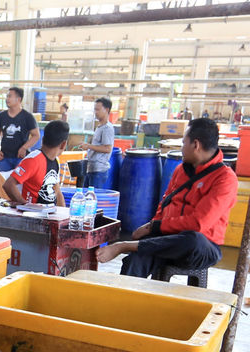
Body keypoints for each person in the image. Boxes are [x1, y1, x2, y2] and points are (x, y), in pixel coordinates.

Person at [97, 118, 237, 278]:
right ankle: (124, 300)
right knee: (136, 260)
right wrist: (151, 227)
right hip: (165, 239)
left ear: (196, 145)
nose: (182, 148)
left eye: (184, 143)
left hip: (199, 247)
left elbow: (199, 223)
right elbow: (164, 205)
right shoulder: (180, 170)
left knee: (193, 239)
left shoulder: (225, 178)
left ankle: (125, 245)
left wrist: (154, 228)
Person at [2, 120, 68, 207]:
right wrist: (27, 206)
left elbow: (57, 190)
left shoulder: (56, 161)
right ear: (63, 144)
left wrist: (63, 214)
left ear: (43, 139)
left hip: (50, 214)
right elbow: (8, 185)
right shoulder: (33, 160)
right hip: (33, 217)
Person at [0, 87, 40, 172]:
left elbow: (36, 135)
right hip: (4, 157)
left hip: (20, 158)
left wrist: (24, 148)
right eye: (7, 96)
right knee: (3, 182)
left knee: (19, 183)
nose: (7, 99)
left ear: (18, 99)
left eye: (10, 96)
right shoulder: (2, 116)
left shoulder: (27, 117)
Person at [80, 97, 115, 185]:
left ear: (107, 110)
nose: (96, 112)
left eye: (98, 110)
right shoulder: (100, 127)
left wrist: (88, 146)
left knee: (92, 196)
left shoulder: (107, 128)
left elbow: (107, 149)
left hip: (99, 170)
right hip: (92, 168)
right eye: (95, 110)